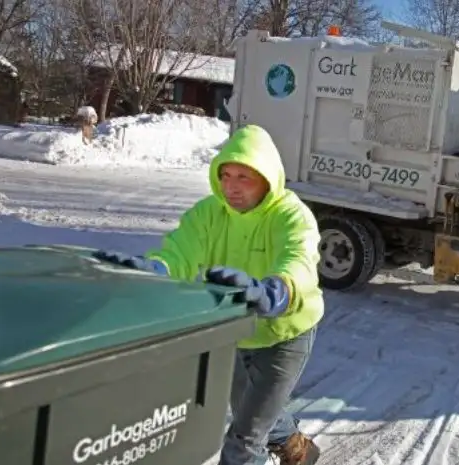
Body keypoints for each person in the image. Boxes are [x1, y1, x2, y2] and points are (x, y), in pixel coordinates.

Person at [93, 125, 323, 465]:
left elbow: (299, 260)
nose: (231, 186)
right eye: (226, 175)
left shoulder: (291, 215)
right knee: (252, 411)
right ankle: (295, 444)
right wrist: (157, 269)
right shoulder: (208, 214)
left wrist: (275, 291)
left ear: (268, 178)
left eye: (244, 177)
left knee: (244, 439)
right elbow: (180, 252)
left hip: (285, 333)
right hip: (232, 329)